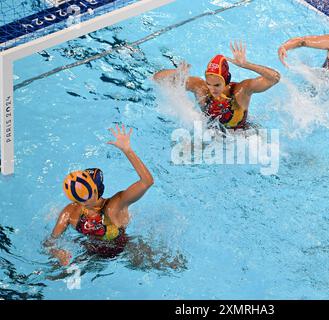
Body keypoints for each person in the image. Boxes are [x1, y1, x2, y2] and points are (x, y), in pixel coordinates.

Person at [44, 125, 154, 266]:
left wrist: (128, 150)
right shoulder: (70, 212)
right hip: (89, 254)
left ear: (96, 191)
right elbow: (49, 243)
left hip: (125, 250)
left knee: (173, 265)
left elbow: (147, 181)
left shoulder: (115, 206)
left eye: (84, 190)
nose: (79, 194)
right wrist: (57, 252)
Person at [153, 41, 280, 129]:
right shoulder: (200, 87)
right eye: (209, 84)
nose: (212, 89)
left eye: (217, 85)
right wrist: (177, 73)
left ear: (226, 81)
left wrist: (246, 65)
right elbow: (157, 78)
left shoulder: (240, 91)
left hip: (241, 135)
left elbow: (274, 78)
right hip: (211, 133)